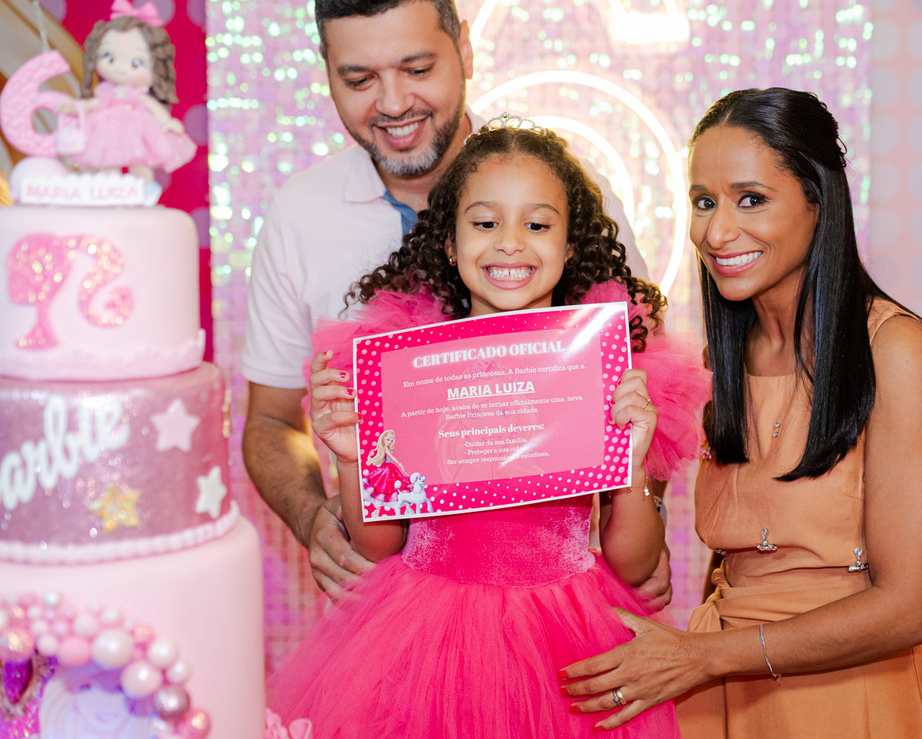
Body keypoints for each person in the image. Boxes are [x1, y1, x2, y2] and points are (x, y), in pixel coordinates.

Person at [268, 120, 704, 737]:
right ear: (450, 242)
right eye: (485, 223)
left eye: (537, 225)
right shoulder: (408, 371)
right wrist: (351, 458)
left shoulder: (604, 368)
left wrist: (630, 462)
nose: (510, 244)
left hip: (566, 636)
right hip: (424, 638)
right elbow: (377, 547)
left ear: (570, 245)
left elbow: (635, 569)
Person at [241, 0, 648, 595]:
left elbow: (641, 396)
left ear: (464, 47)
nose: (394, 102)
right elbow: (270, 422)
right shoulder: (299, 215)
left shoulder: (569, 196)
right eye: (359, 79)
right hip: (386, 612)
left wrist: (641, 536)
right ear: (327, 73)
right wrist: (314, 514)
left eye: (418, 68)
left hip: (551, 595)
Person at [560, 88, 922, 738]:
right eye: (703, 201)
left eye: (751, 199)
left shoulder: (893, 349)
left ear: (818, 200)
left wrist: (700, 657)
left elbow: (910, 609)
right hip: (720, 696)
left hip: (842, 704)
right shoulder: (720, 359)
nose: (716, 232)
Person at [60, 0, 196, 181]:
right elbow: (95, 104)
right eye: (109, 58)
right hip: (107, 129)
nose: (121, 69)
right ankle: (109, 187)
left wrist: (167, 122)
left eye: (136, 63)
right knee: (106, 160)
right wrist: (75, 107)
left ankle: (143, 187)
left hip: (137, 131)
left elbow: (153, 108)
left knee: (140, 161)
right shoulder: (106, 92)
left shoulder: (139, 95)